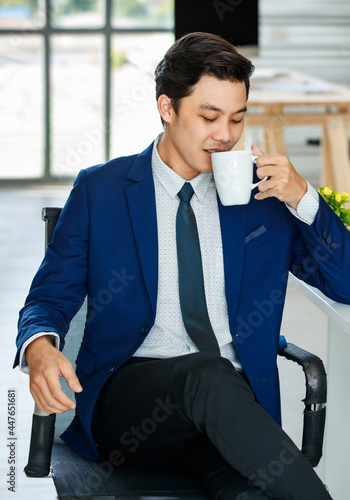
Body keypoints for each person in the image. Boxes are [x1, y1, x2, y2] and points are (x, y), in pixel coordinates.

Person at [14, 32, 350, 499]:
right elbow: (48, 299)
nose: (226, 134)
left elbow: (346, 284)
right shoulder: (101, 190)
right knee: (206, 374)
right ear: (167, 108)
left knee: (252, 491)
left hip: (229, 410)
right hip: (131, 404)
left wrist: (305, 200)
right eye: (209, 116)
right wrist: (40, 349)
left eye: (237, 118)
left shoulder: (263, 196)